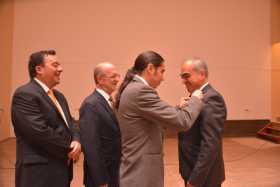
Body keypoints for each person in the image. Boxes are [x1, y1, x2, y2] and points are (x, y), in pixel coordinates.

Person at [115, 50, 203, 187]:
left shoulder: (133, 89)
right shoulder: (140, 91)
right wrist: (195, 99)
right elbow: (183, 122)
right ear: (150, 68)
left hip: (138, 171)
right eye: (162, 71)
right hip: (141, 175)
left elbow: (153, 121)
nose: (163, 78)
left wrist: (178, 109)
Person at [11, 50, 81, 187]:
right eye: (55, 65)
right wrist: (70, 149)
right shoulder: (25, 94)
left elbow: (71, 123)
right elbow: (38, 132)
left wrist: (77, 140)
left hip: (60, 170)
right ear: (39, 69)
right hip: (38, 174)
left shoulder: (59, 96)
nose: (61, 69)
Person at [178, 58, 227, 187]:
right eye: (182, 77)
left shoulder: (212, 98)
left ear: (202, 74)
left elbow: (210, 144)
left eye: (186, 76)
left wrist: (195, 180)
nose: (183, 81)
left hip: (205, 177)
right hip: (192, 169)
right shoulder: (195, 97)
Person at [79, 63, 121, 187]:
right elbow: (91, 146)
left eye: (117, 76)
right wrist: (101, 181)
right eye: (113, 76)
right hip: (101, 178)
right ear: (100, 79)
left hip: (115, 173)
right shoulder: (91, 105)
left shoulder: (110, 101)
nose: (117, 79)